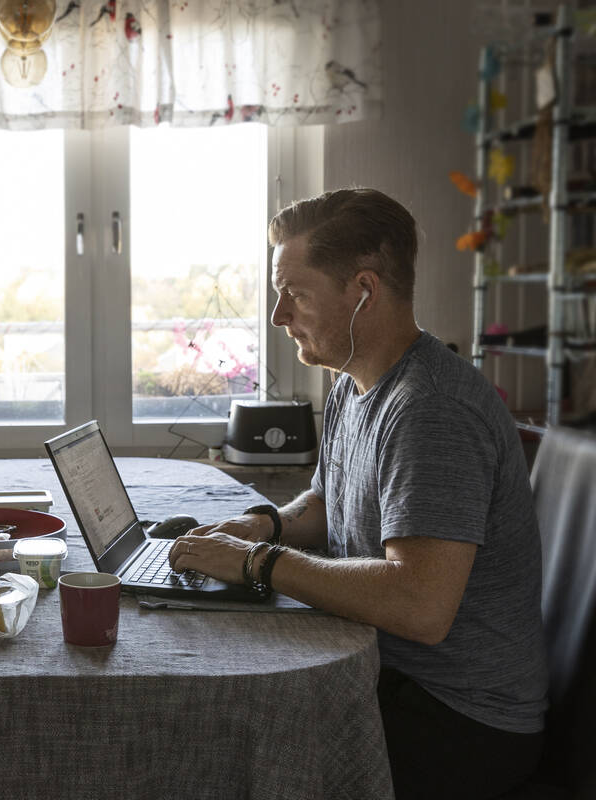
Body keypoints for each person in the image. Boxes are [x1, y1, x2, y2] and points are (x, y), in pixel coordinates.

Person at [169, 188, 548, 799]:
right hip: (393, 674)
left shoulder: (431, 410)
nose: (277, 315)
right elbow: (327, 501)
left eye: (294, 292)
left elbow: (420, 606)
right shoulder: (353, 379)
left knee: (213, 740)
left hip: (460, 718)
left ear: (363, 291)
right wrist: (264, 526)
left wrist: (257, 565)